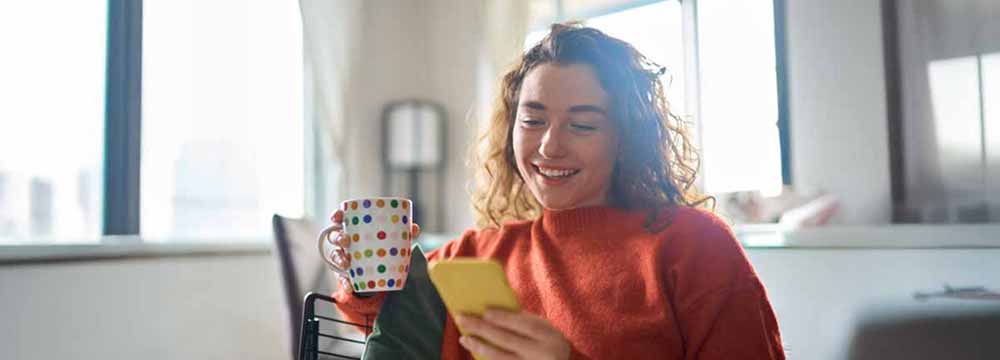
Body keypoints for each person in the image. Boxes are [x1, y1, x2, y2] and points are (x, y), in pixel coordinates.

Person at [320, 23, 785, 360]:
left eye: (582, 124)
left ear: (626, 136)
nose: (550, 145)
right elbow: (382, 325)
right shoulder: (476, 255)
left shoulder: (694, 246)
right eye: (533, 120)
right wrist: (363, 277)